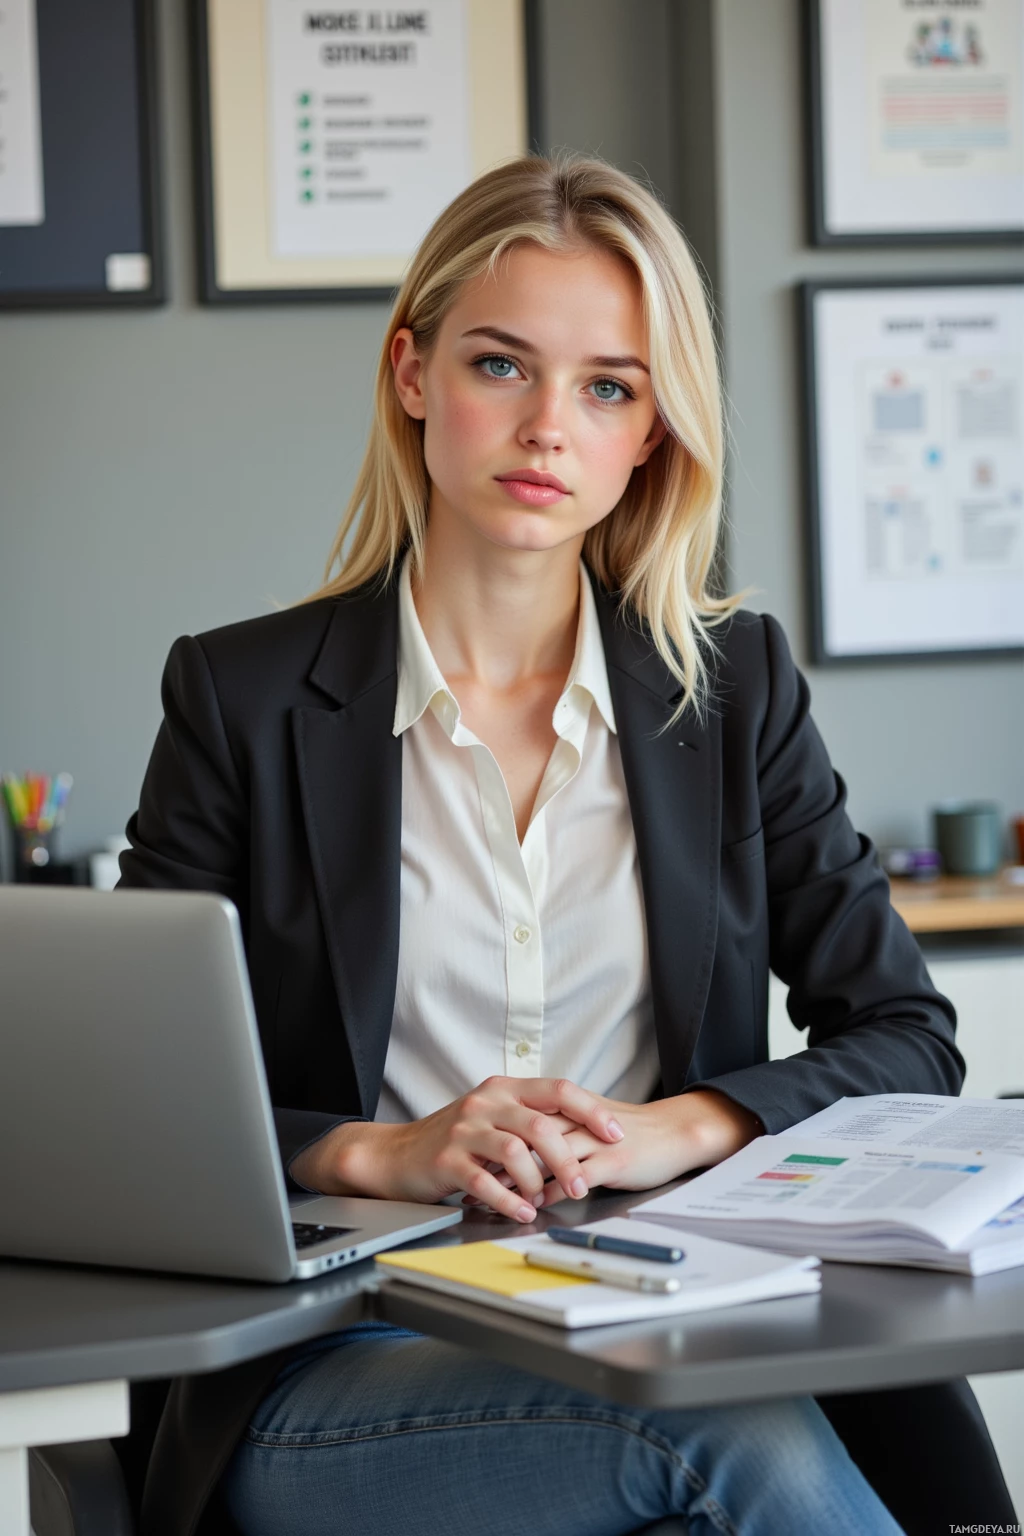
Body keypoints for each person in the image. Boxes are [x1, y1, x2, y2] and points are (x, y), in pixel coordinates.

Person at [118, 155, 1014, 1536]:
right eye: (501, 365)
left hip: (677, 1310)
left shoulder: (734, 688)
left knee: (721, 1425)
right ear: (413, 375)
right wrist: (383, 1153)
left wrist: (682, 1129)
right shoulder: (239, 698)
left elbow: (904, 1029)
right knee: (723, 1443)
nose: (550, 427)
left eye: (609, 385)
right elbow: (145, 1112)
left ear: (653, 431)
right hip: (337, 1357)